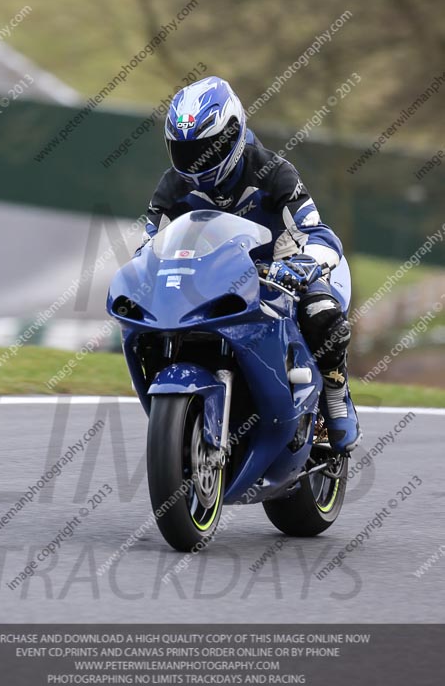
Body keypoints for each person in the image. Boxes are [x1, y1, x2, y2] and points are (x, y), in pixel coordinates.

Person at [141, 76, 361, 454]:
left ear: (233, 133)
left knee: (321, 311)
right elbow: (149, 246)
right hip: (209, 279)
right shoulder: (171, 188)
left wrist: (305, 264)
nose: (197, 162)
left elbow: (318, 231)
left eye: (208, 148)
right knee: (149, 327)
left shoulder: (274, 172)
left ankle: (336, 393)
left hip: (278, 271)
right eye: (186, 151)